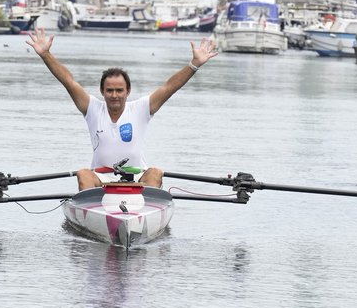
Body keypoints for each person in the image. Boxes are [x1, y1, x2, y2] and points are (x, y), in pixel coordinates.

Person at [26, 28, 219, 190]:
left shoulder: (141, 108)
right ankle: (93, 209)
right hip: (100, 178)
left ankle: (145, 211)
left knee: (155, 173)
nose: (114, 95)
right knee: (83, 174)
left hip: (136, 177)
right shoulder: (92, 108)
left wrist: (194, 64)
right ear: (102, 91)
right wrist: (45, 55)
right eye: (109, 90)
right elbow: (69, 81)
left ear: (128, 91)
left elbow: (168, 87)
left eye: (119, 90)